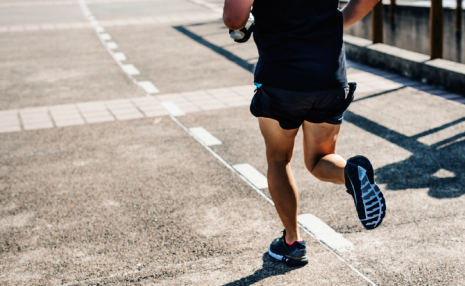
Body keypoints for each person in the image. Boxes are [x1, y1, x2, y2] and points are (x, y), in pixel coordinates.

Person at [223, 0, 386, 266]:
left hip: (281, 79)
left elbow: (233, 18)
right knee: (319, 158)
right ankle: (349, 173)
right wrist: (331, 24)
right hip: (330, 78)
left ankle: (292, 243)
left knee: (279, 159)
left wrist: (246, 23)